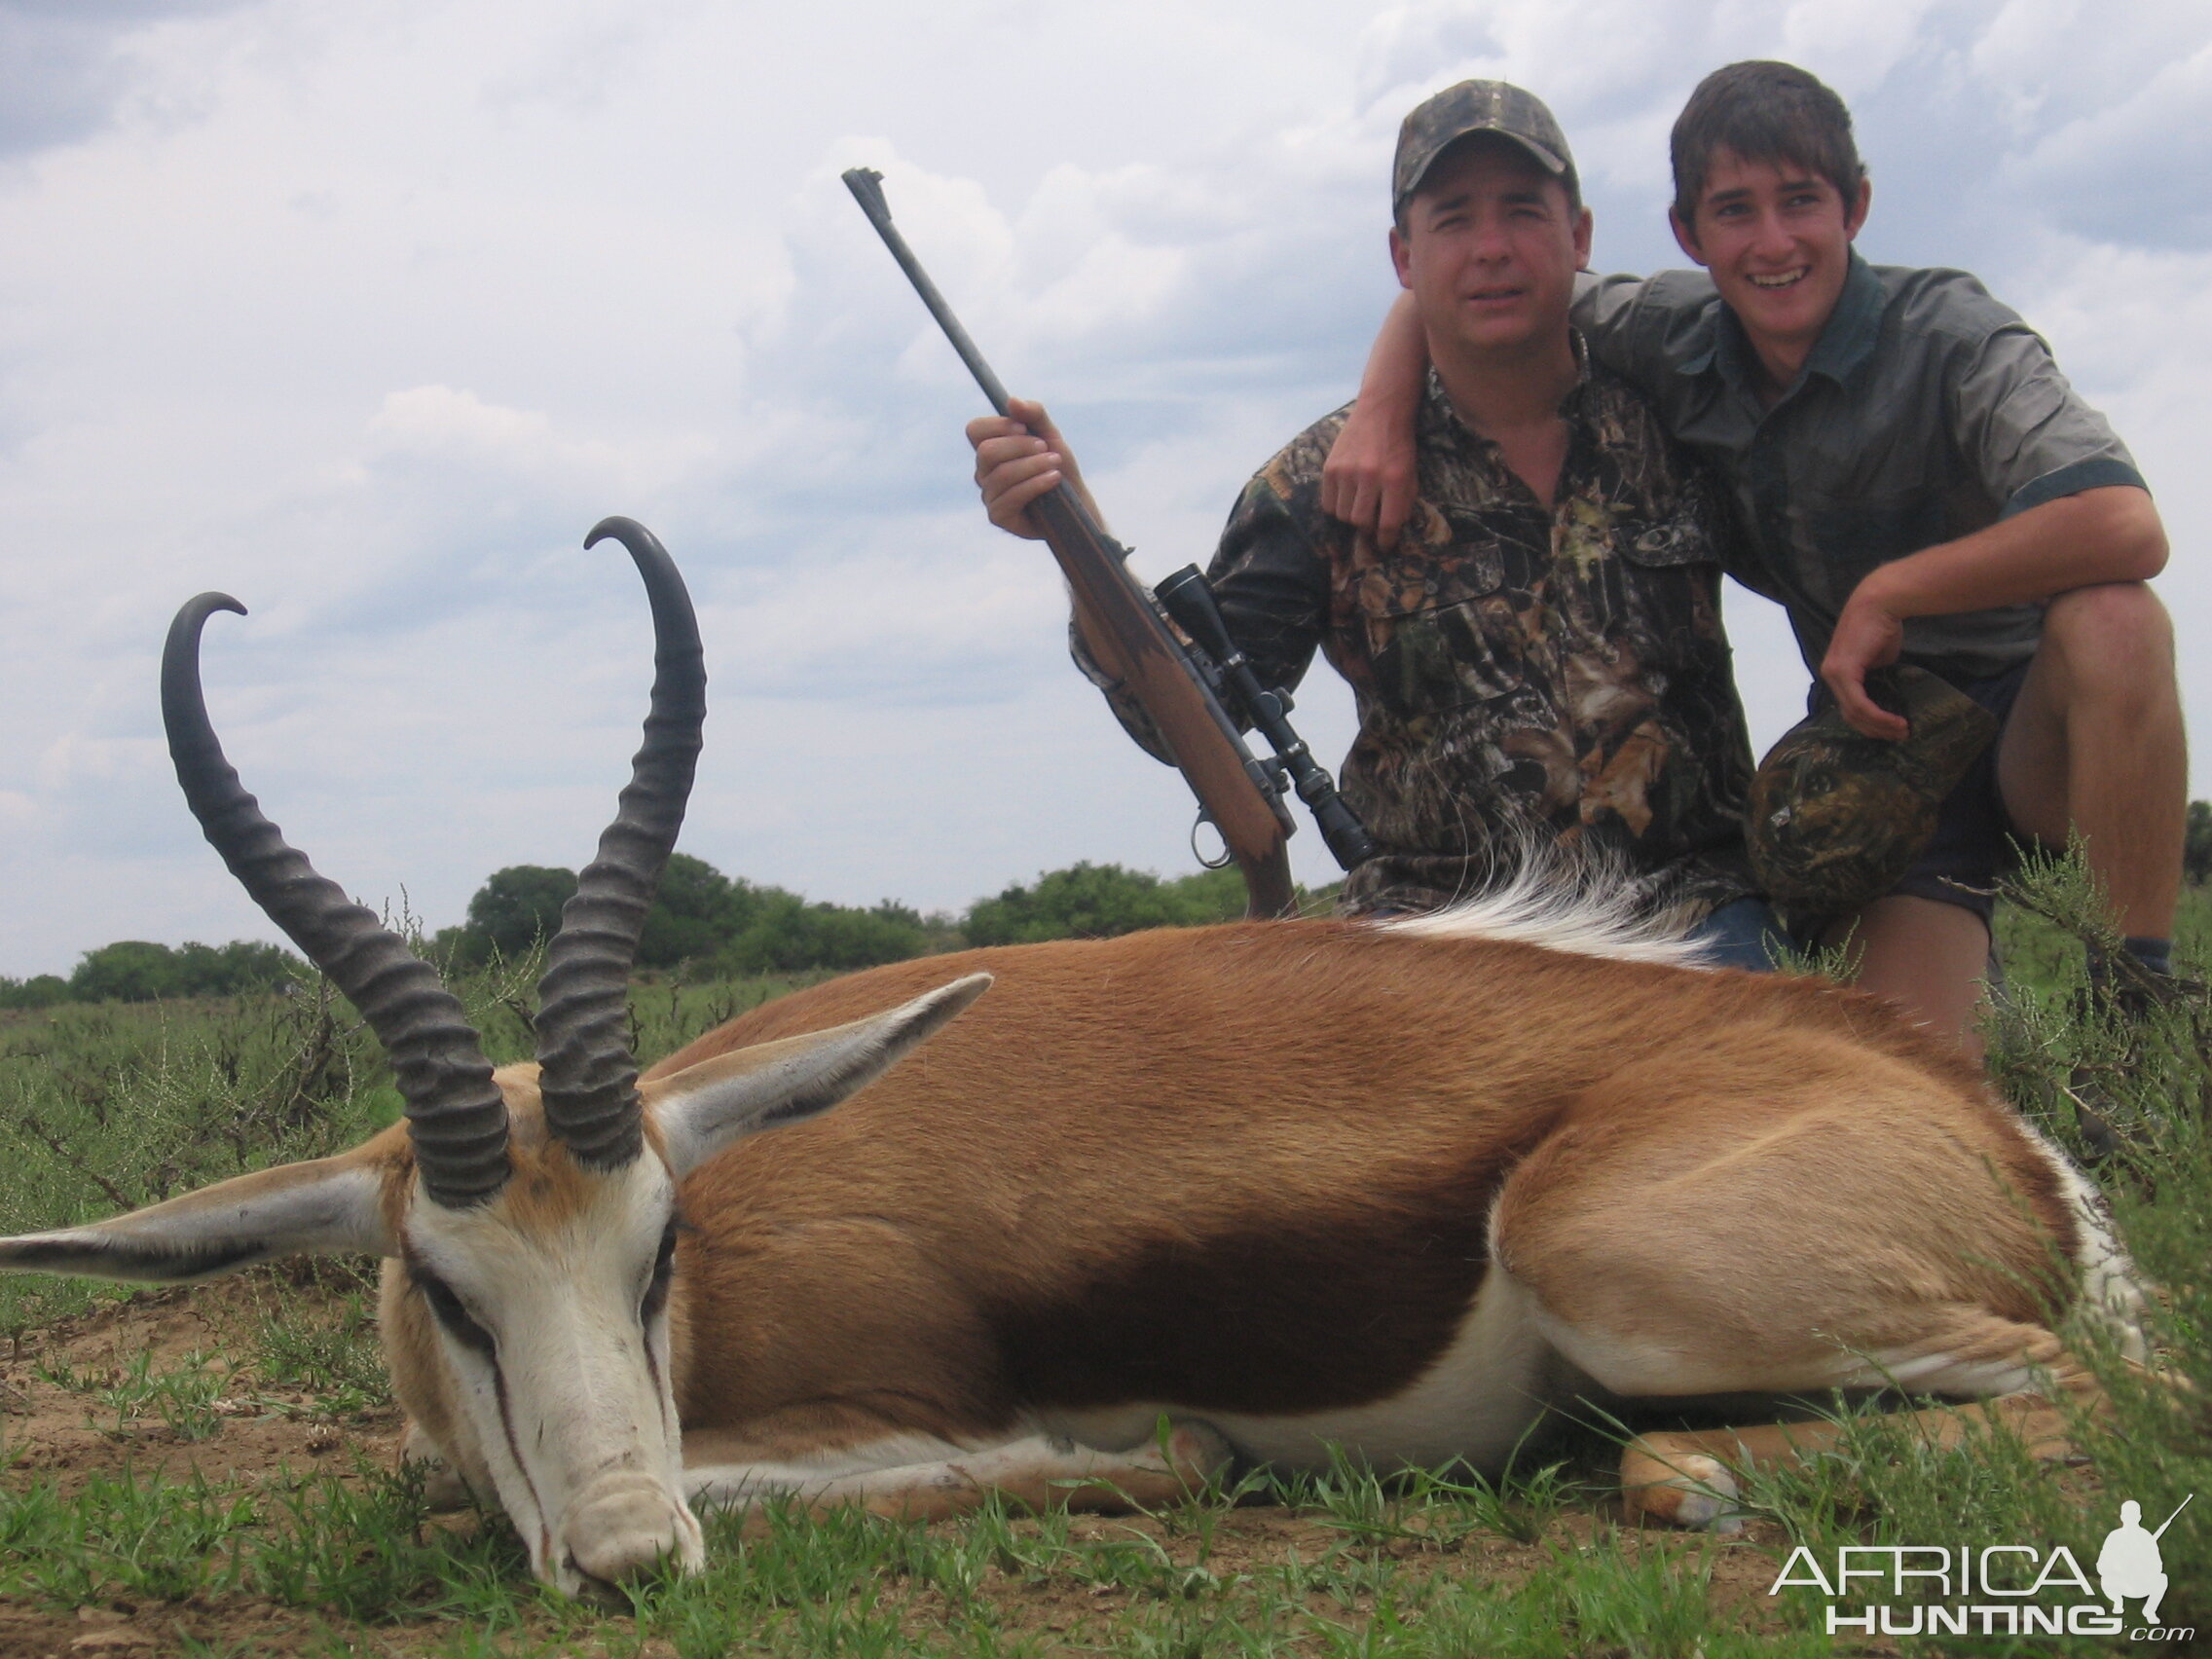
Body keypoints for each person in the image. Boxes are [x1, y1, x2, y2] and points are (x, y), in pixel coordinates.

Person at [1323, 60, 2185, 1054]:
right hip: (1892, 751)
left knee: (2114, 618)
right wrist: (1384, 406)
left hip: (2046, 741)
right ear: (1689, 235)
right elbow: (1488, 287)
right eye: (1734, 211)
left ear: (1854, 207)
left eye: (1800, 202)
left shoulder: (1951, 335)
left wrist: (1890, 593)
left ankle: (2136, 1007)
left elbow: (2127, 527)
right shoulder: (1673, 335)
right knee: (1909, 1106)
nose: (1772, 243)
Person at [969, 82, 1780, 964]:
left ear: (1579, 236)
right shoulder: (1316, 483)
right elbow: (1179, 722)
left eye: (1523, 212)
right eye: (1454, 220)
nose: (1493, 249)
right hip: (1444, 934)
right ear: (1403, 255)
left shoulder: (1687, 419)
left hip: (1695, 916)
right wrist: (1077, 538)